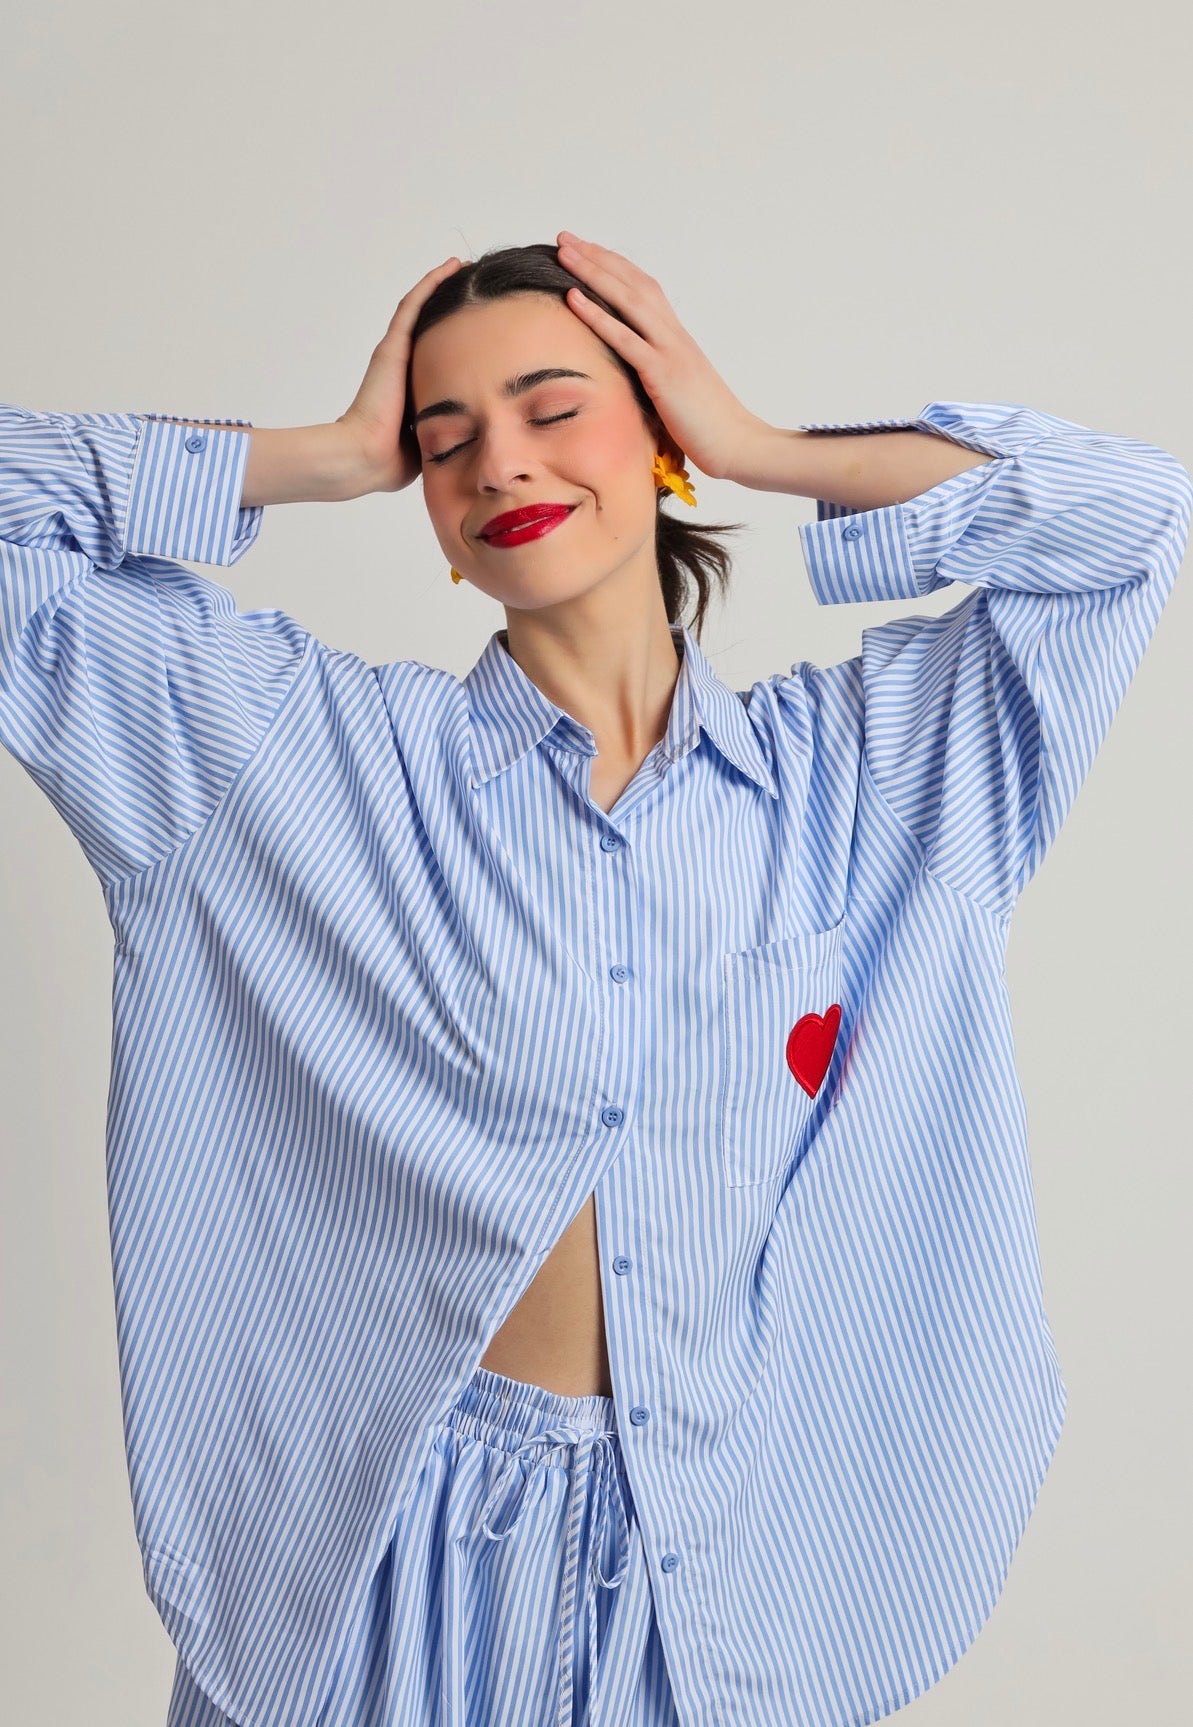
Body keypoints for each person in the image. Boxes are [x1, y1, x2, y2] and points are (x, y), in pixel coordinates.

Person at [1, 233, 1189, 1727]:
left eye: (554, 409)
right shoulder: (288, 757)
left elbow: (1130, 520)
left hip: (718, 1570)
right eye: (445, 440)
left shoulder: (872, 779)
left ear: (658, 434)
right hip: (385, 1561)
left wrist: (758, 445)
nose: (500, 461)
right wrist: (328, 455)